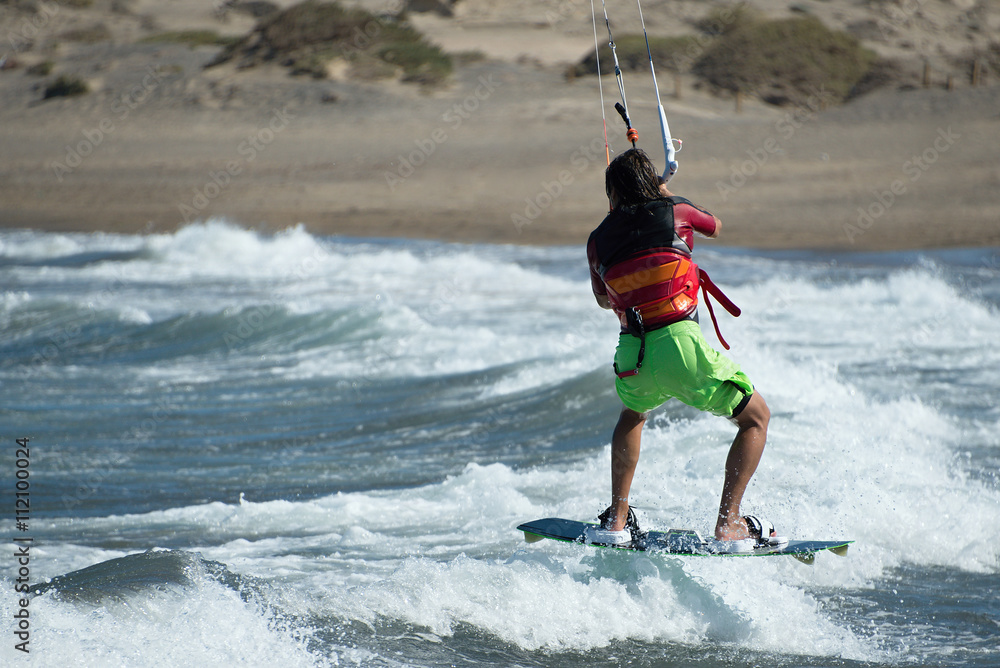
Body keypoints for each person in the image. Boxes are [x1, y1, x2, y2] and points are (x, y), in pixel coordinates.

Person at [585, 148, 784, 551]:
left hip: (632, 355)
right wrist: (665, 193)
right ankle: (729, 523)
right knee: (756, 419)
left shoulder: (597, 241)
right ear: (652, 182)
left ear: (613, 194)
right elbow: (715, 226)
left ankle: (617, 521)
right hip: (679, 345)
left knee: (633, 414)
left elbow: (604, 300)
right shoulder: (677, 210)